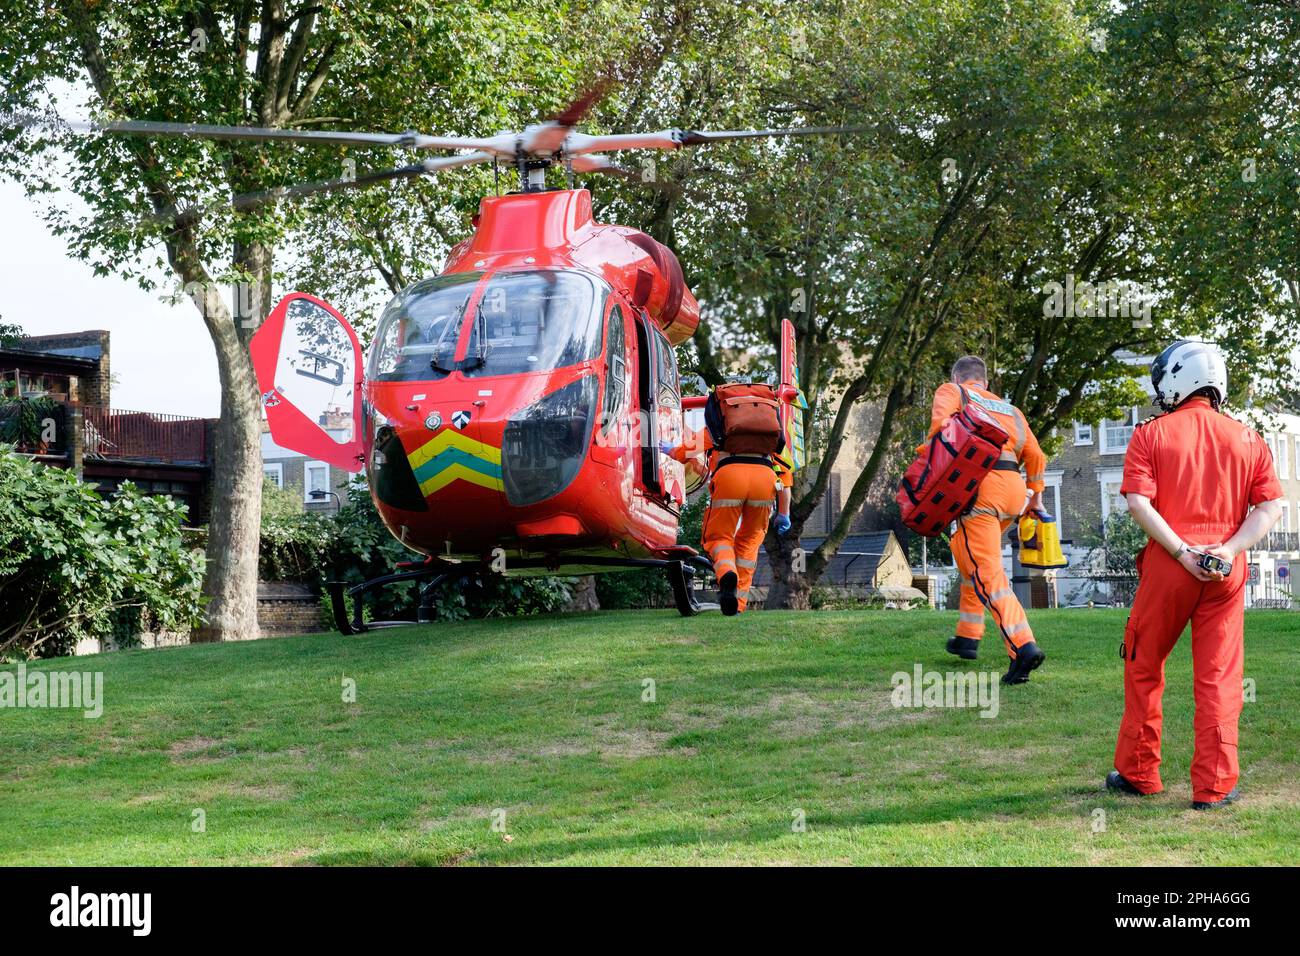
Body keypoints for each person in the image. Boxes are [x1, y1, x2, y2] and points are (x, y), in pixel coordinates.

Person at [1106, 340, 1283, 810]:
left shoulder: (1151, 434)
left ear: (1176, 380)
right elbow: (1269, 507)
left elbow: (1138, 503)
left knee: (1144, 664)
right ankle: (1215, 786)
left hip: (1170, 563)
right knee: (1220, 677)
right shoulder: (1249, 438)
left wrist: (1183, 550)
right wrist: (1226, 549)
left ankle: (1139, 773)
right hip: (1226, 568)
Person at [927, 356, 1048, 684]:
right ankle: (968, 635)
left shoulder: (952, 391)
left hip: (978, 489)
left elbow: (939, 431)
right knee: (970, 558)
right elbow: (1036, 456)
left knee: (987, 573)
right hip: (1012, 494)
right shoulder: (1011, 411)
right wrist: (1035, 495)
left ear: (956, 376)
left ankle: (1023, 647)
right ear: (986, 382)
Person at [670, 425, 790, 616]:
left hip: (730, 476)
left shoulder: (725, 414)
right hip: (765, 479)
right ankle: (738, 605)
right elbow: (785, 478)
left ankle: (727, 573)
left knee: (719, 537)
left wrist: (673, 451)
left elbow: (695, 445)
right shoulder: (770, 427)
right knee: (750, 542)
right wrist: (784, 514)